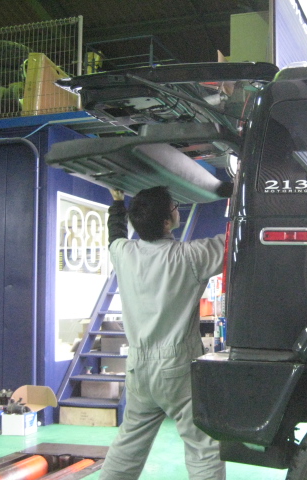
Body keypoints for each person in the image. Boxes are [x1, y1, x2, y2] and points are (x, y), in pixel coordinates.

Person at [99, 186, 226, 480]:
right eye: (174, 206)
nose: (177, 209)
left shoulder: (123, 253)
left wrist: (117, 202)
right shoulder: (191, 256)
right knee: (203, 445)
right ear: (167, 222)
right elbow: (235, 242)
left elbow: (115, 234)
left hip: (138, 368)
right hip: (176, 367)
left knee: (128, 446)